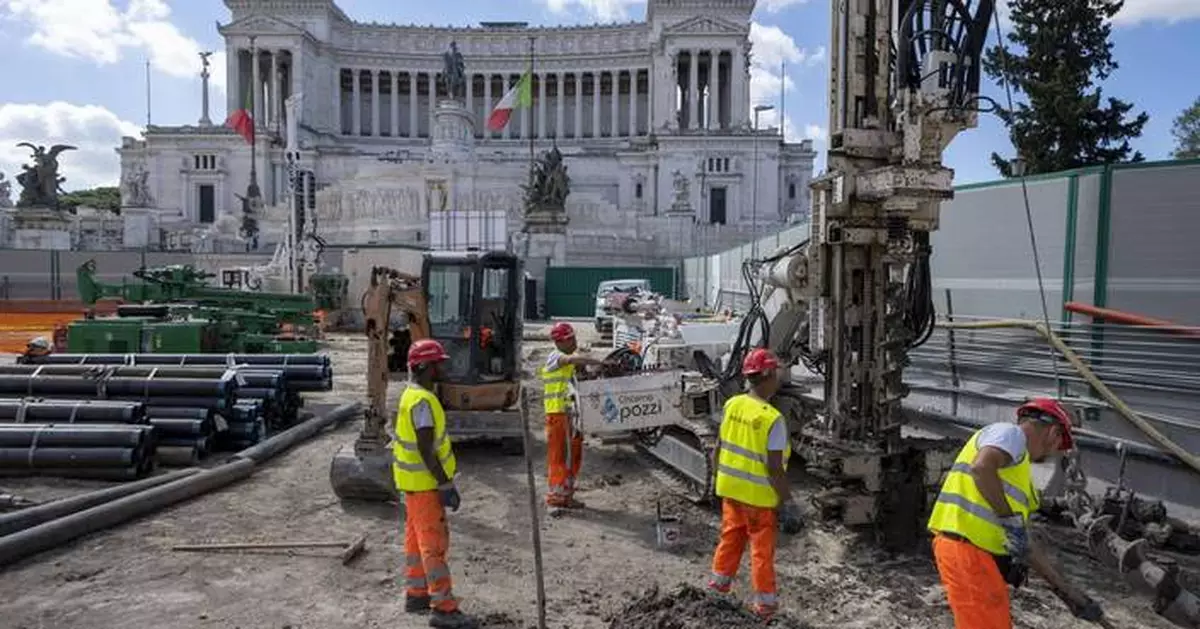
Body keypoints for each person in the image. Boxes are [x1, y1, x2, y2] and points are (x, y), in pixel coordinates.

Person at [927, 397, 1106, 629]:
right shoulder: (1010, 434)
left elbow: (1023, 543)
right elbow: (981, 468)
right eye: (1059, 445)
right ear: (1053, 433)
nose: (1055, 452)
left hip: (975, 557)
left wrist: (1068, 593)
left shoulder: (1018, 474)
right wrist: (1008, 518)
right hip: (967, 552)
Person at [707, 348, 803, 620]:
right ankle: (765, 607)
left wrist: (718, 480)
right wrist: (788, 504)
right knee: (761, 553)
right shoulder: (771, 419)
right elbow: (774, 469)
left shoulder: (733, 404)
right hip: (759, 499)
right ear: (769, 375)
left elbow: (719, 447)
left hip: (730, 491)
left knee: (730, 538)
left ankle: (717, 587)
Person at [392, 339, 477, 629]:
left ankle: (416, 594)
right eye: (438, 362)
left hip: (412, 485)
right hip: (426, 485)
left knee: (416, 541)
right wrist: (445, 485)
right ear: (425, 366)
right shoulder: (423, 402)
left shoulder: (410, 395)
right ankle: (443, 609)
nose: (443, 366)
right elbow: (426, 449)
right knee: (434, 546)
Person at [540, 322, 608, 510]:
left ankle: (567, 494)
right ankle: (555, 496)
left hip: (572, 416)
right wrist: (599, 361)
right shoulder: (556, 357)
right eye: (571, 339)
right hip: (557, 415)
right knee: (559, 457)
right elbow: (573, 361)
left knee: (574, 456)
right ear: (561, 341)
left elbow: (581, 376)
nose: (575, 342)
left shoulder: (569, 360)